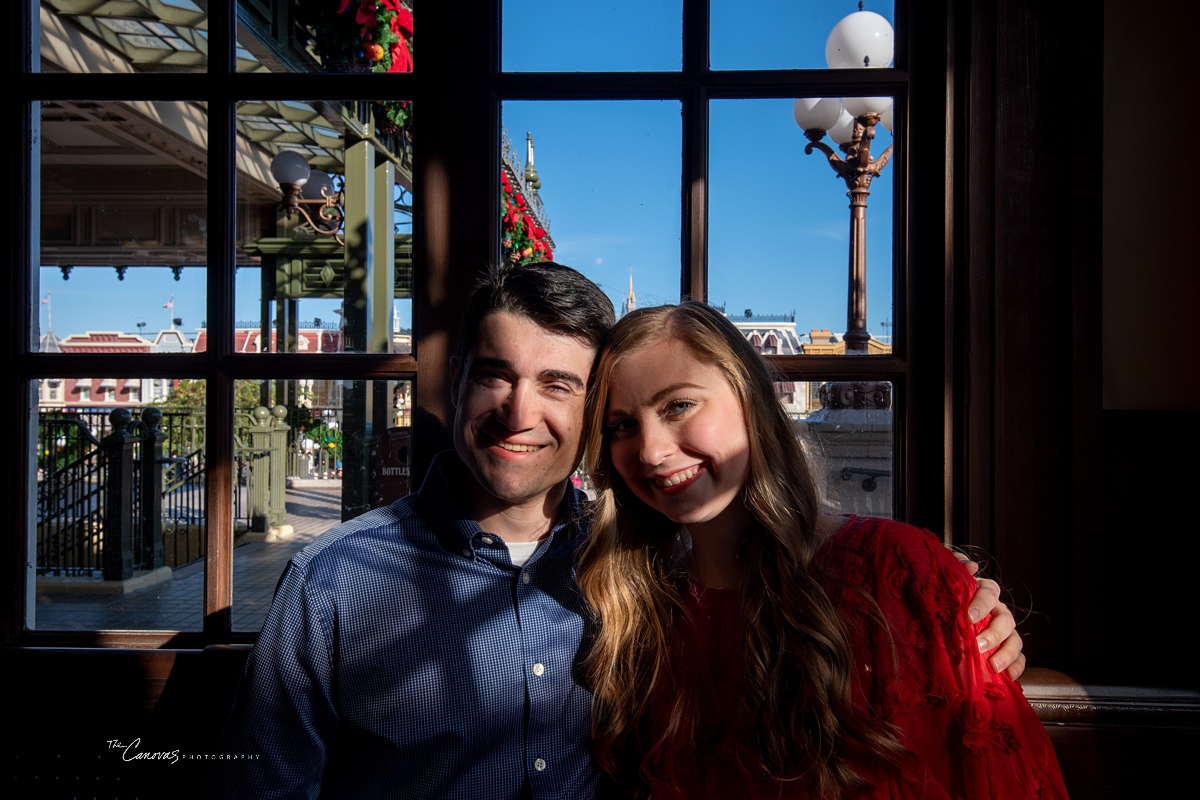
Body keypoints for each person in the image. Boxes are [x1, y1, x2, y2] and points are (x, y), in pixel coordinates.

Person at [209, 264, 1025, 799]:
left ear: (586, 413)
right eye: (496, 374)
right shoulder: (337, 580)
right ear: (455, 385)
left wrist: (947, 603)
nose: (521, 412)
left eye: (559, 384)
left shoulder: (634, 572)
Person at [577, 301, 1067, 799]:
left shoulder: (892, 574)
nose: (650, 451)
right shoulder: (636, 613)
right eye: (621, 426)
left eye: (678, 406)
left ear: (752, 401)